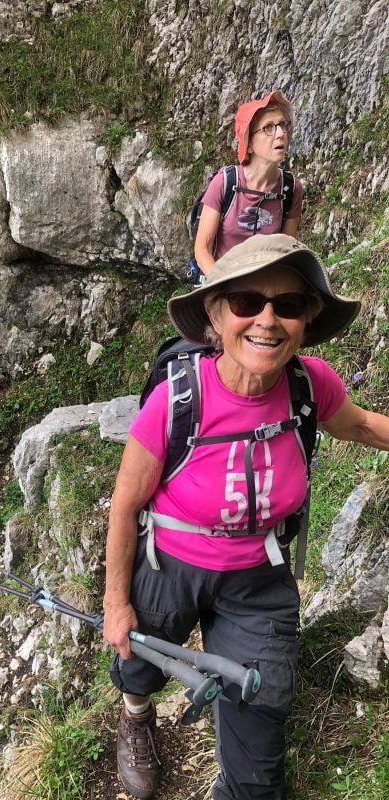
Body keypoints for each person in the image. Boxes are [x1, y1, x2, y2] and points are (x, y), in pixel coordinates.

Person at [103, 234, 389, 800]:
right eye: (246, 302)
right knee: (140, 661)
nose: (267, 320)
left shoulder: (309, 386)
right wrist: (116, 603)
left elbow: (359, 425)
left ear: (306, 320)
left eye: (288, 305)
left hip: (259, 577)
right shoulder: (177, 400)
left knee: (259, 741)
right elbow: (126, 504)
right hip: (170, 566)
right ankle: (136, 714)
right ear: (215, 315)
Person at [194, 91, 303, 276]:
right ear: (249, 143)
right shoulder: (225, 182)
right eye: (268, 128)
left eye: (282, 125)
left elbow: (286, 251)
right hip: (221, 279)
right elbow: (202, 249)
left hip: (263, 283)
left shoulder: (291, 189)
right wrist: (223, 285)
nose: (280, 134)